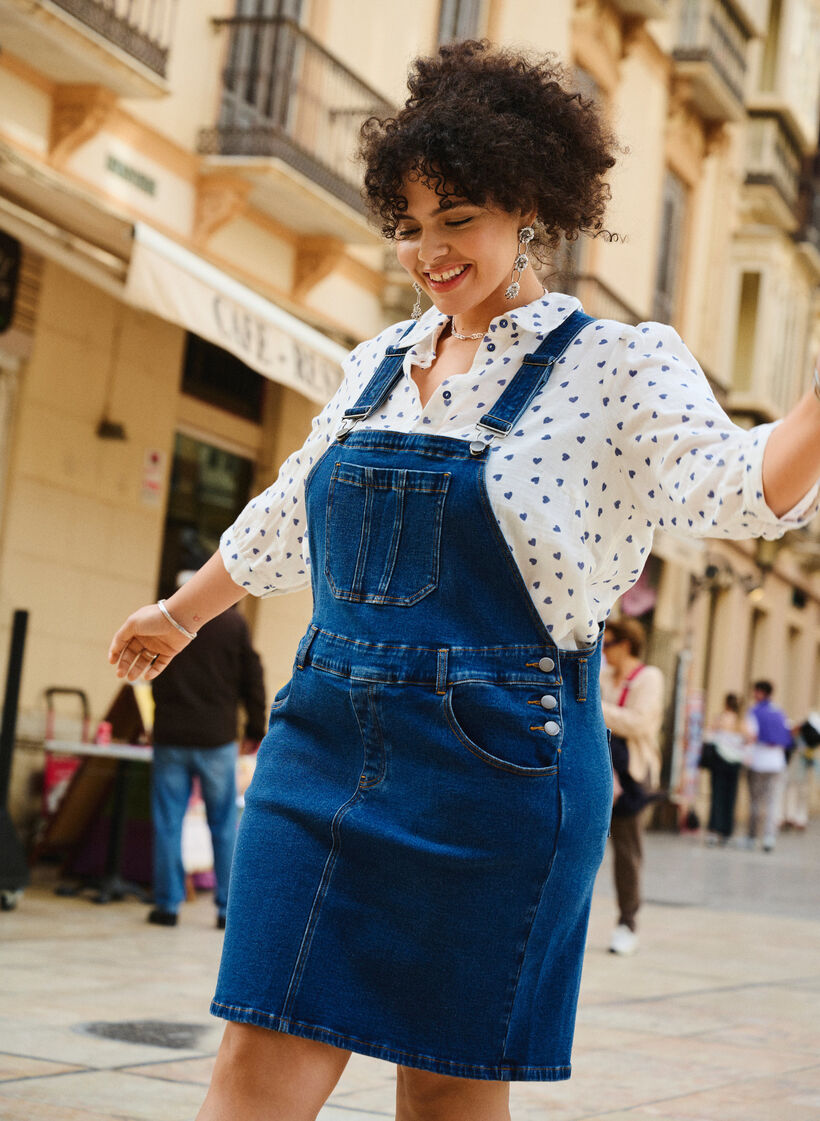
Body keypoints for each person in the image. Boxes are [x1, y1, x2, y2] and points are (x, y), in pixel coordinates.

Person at [108, 40, 820, 1121]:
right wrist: (177, 613)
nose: (426, 249)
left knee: (446, 1084)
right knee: (256, 1056)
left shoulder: (618, 364)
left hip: (502, 762)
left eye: (456, 218)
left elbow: (733, 486)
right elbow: (290, 511)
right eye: (406, 222)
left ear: (527, 207)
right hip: (321, 745)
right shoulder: (376, 362)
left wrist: (813, 414)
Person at [149, 588, 265, 929]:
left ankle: (167, 906)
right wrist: (256, 728)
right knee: (224, 824)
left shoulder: (168, 619)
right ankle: (226, 910)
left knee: (168, 822)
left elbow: (156, 674)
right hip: (216, 739)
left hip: (171, 736)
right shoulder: (234, 625)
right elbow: (252, 677)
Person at [600, 618, 664, 955]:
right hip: (600, 770)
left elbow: (639, 723)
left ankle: (627, 922)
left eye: (608, 644)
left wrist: (596, 708)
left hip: (630, 774)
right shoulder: (603, 677)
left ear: (626, 645)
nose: (604, 651)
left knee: (626, 851)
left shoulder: (649, 677)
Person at [746, 680, 794, 852]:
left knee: (756, 802)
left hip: (759, 761)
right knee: (773, 802)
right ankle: (768, 837)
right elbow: (789, 736)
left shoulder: (754, 712)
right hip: (777, 763)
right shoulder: (779, 712)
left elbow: (750, 735)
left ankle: (752, 836)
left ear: (760, 692)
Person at [703, 693, 748, 846]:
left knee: (717, 795)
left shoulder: (720, 719)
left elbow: (708, 734)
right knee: (731, 796)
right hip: (735, 762)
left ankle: (714, 830)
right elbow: (750, 738)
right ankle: (726, 831)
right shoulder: (741, 722)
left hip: (720, 760)